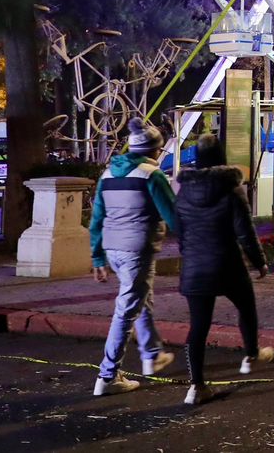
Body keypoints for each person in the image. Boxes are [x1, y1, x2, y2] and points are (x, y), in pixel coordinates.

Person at [175, 134, 271, 406]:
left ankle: (196, 386)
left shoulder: (184, 192)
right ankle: (251, 355)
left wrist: (190, 253)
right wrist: (259, 261)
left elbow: (179, 230)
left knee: (198, 326)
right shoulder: (231, 189)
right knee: (246, 305)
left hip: (195, 268)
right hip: (227, 264)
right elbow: (245, 231)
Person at [90, 121, 181, 397]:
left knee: (142, 297)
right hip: (137, 249)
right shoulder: (151, 175)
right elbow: (173, 216)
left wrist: (97, 258)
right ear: (154, 150)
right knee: (127, 309)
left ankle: (152, 355)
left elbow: (97, 218)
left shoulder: (108, 175)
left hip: (114, 249)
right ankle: (107, 375)